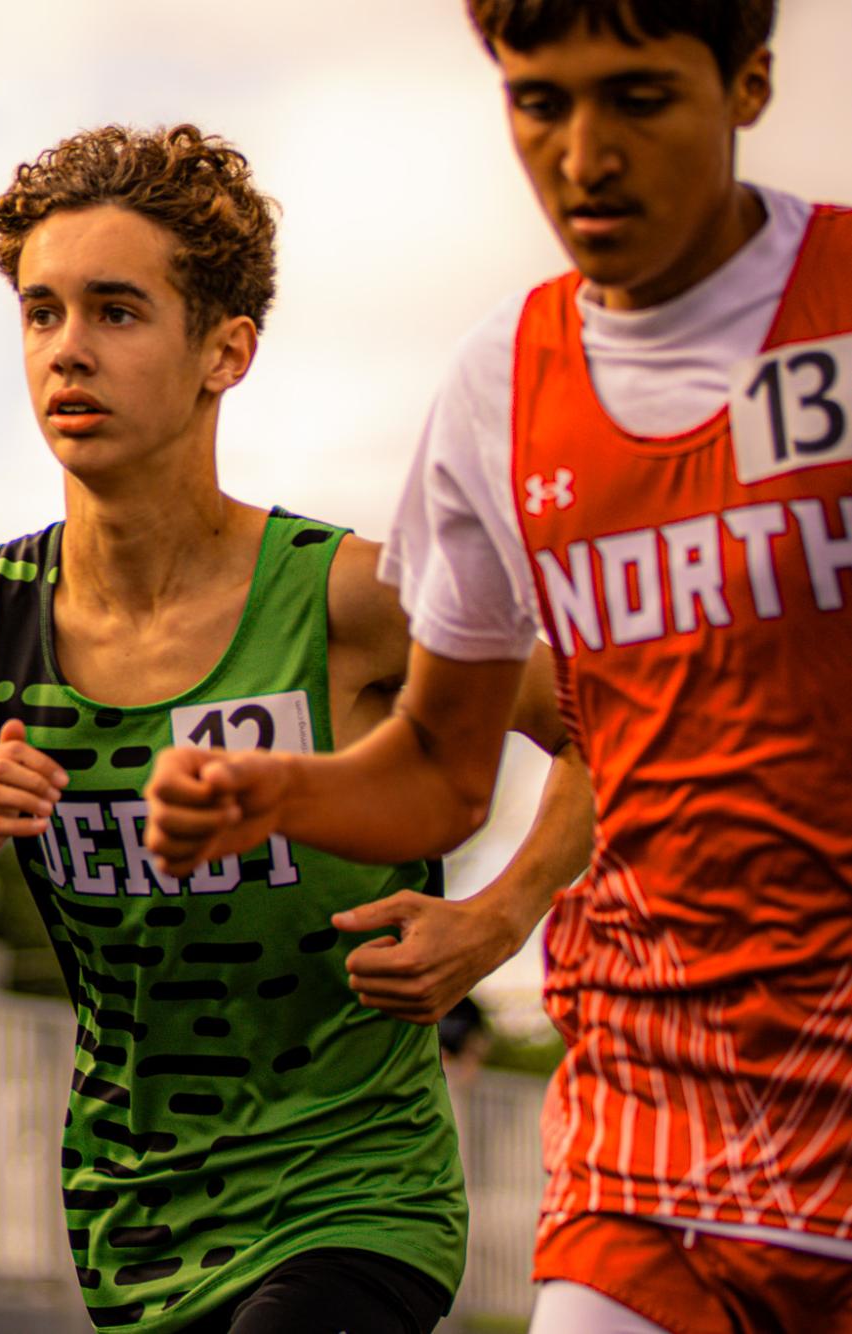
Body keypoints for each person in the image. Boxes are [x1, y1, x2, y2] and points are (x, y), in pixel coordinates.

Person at [143, 3, 852, 1329]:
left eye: (636, 99)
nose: (584, 154)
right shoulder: (496, 385)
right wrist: (281, 793)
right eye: (542, 102)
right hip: (652, 1120)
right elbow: (437, 771)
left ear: (747, 84)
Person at [0, 124, 591, 1333]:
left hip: (357, 1199)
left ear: (223, 349)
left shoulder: (347, 594)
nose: (68, 350)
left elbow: (625, 728)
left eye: (117, 311)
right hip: (139, 1224)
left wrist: (494, 921)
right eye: (41, 312)